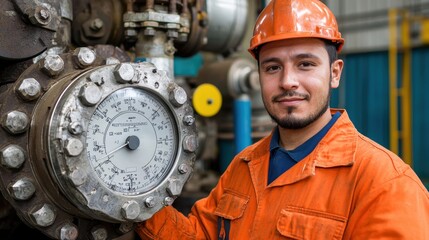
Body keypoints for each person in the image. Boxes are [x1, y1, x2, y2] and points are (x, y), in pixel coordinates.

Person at [135, 0, 429, 239]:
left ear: (335, 73)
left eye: (305, 64)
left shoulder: (384, 184)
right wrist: (135, 195)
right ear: (259, 75)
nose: (288, 81)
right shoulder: (244, 167)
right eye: (273, 67)